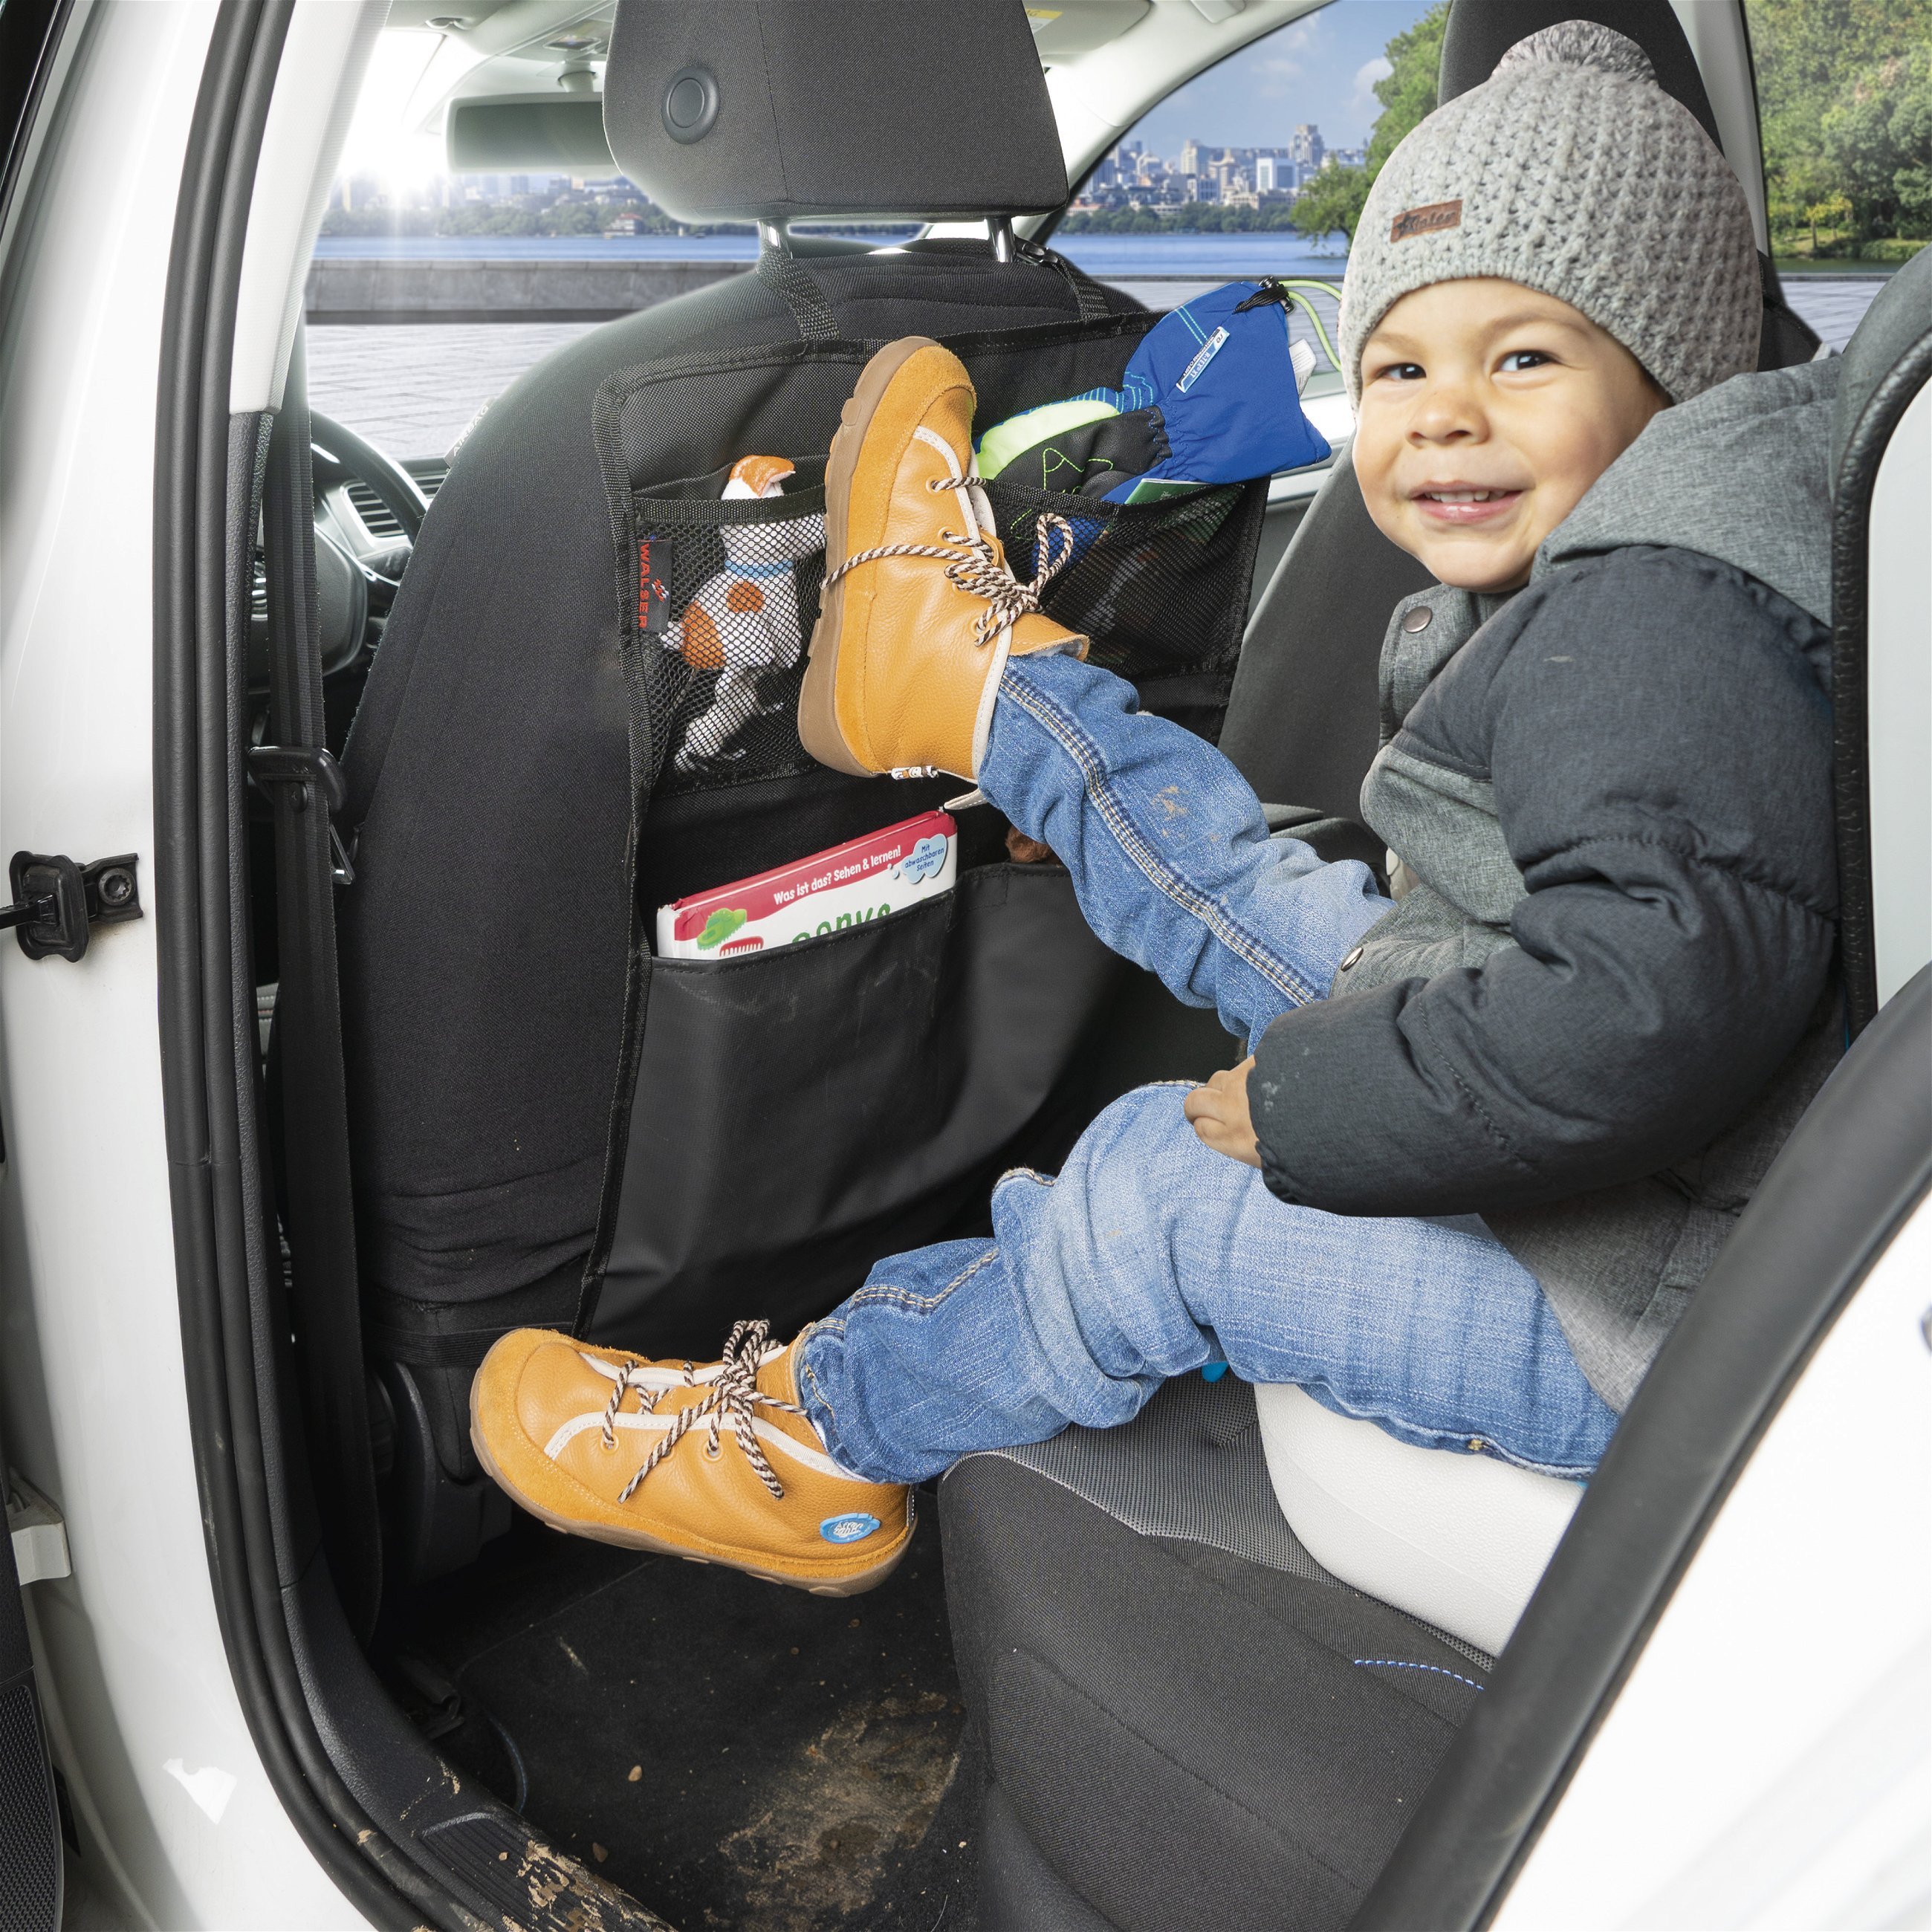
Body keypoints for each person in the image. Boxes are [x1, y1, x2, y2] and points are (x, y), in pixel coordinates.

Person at [468, 22, 1841, 1598]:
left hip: (1669, 1321)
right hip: (1675, 1199)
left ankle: (820, 1447)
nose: (1443, 414)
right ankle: (974, 681)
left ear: (1672, 376)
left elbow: (1642, 1012)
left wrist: (1313, 1109)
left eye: (1523, 358)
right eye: (1397, 366)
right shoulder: (1690, 555)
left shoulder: (1661, 620)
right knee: (1262, 889)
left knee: (1161, 1197)